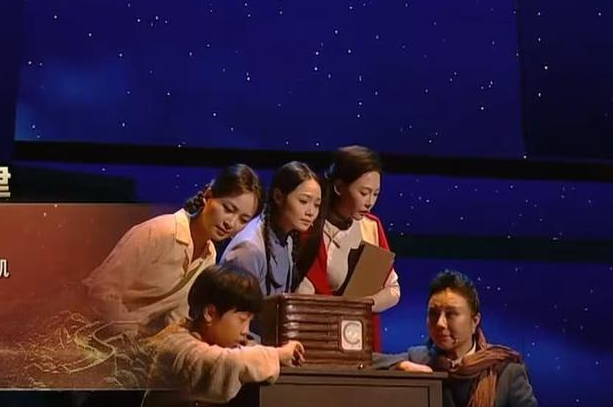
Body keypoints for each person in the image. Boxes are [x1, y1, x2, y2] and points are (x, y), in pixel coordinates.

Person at [375, 269, 550, 407]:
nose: (440, 323)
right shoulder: (418, 359)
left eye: (451, 314)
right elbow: (365, 361)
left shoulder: (505, 370)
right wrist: (400, 365)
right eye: (433, 313)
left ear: (474, 321)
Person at [84, 164, 260, 337]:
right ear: (208, 196)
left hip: (145, 346)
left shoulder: (209, 256)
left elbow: (177, 317)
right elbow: (102, 290)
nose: (231, 223)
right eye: (228, 209)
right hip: (99, 337)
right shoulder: (160, 232)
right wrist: (129, 336)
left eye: (243, 220)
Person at [136, 265, 304, 407]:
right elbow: (224, 362)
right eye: (242, 320)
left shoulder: (217, 341)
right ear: (210, 313)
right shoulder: (176, 345)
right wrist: (279, 354)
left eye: (250, 321)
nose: (246, 330)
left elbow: (244, 354)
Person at [297, 145, 399, 349]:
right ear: (338, 187)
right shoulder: (311, 227)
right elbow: (303, 296)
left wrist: (363, 305)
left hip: (358, 338)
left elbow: (393, 290)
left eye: (376, 194)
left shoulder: (371, 227)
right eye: (364, 193)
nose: (370, 202)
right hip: (318, 338)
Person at [221, 161, 324, 297]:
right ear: (278, 197)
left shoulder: (287, 238)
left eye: (316, 205)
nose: (311, 212)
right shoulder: (249, 249)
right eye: (303, 201)